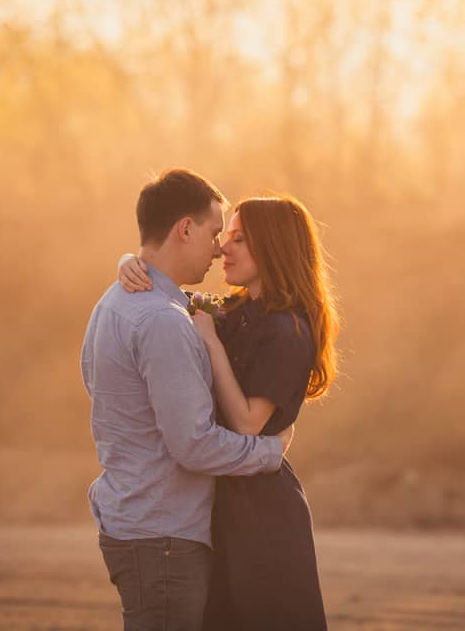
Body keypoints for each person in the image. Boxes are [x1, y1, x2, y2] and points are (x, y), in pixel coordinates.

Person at [81, 169, 295, 631]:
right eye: (216, 233)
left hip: (136, 523)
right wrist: (269, 452)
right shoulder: (164, 321)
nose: (219, 248)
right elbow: (193, 444)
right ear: (184, 229)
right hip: (162, 536)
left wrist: (126, 260)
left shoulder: (113, 302)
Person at [117, 194, 339, 631]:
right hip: (221, 499)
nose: (222, 248)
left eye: (238, 239)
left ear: (273, 247)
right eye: (226, 236)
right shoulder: (236, 309)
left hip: (262, 511)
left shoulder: (288, 330)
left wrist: (212, 344)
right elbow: (169, 293)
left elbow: (247, 423)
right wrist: (129, 261)